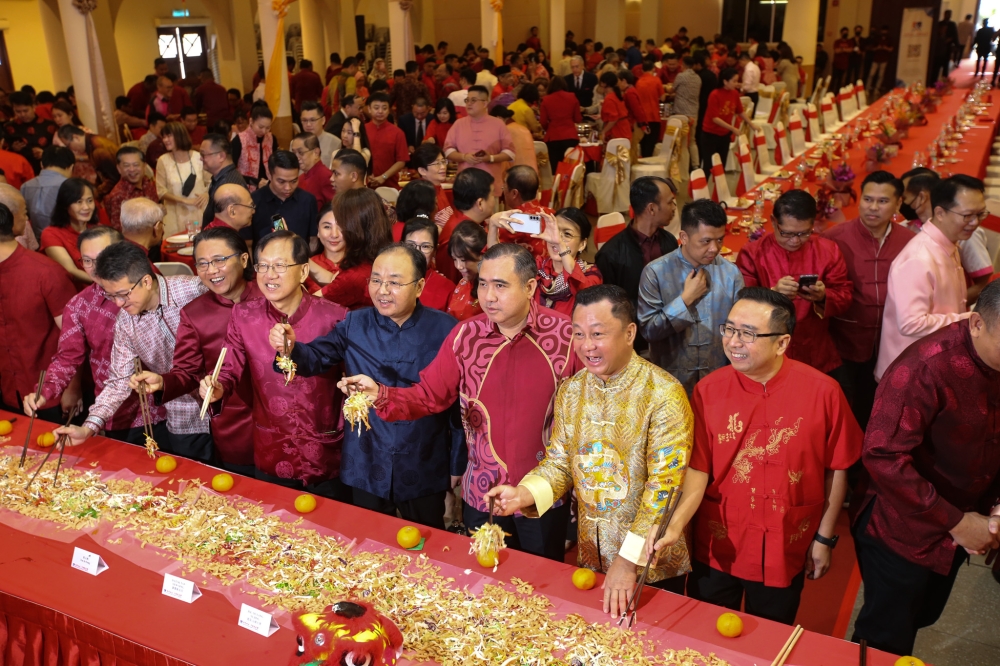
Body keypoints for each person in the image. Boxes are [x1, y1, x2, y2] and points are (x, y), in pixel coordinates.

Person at [339, 243, 578, 561]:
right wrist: (380, 394)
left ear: (530, 286)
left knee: (541, 587)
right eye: (483, 283)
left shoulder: (565, 336)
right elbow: (428, 397)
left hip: (542, 494)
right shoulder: (467, 336)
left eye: (500, 285)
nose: (488, 296)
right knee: (483, 584)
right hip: (483, 493)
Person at [646, 287, 862, 625]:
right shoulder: (708, 390)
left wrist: (823, 538)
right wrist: (675, 524)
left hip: (785, 542)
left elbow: (837, 468)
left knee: (770, 634)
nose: (733, 342)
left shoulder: (824, 392)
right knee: (707, 633)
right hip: (721, 542)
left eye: (748, 334)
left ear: (782, 343)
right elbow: (699, 469)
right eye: (729, 329)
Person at [489, 284, 693, 613]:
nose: (587, 346)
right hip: (591, 553)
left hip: (648, 566)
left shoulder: (663, 394)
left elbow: (664, 489)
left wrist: (628, 561)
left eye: (597, 334)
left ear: (629, 333)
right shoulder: (572, 390)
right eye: (578, 334)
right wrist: (524, 494)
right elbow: (559, 462)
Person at [850, 280, 1000, 656]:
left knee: (923, 614)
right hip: (903, 527)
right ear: (977, 322)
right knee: (886, 632)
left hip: (966, 515)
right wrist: (958, 521)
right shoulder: (926, 367)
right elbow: (883, 457)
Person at [272, 243, 463, 525]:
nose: (382, 290)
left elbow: (459, 403)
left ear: (420, 286)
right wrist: (289, 350)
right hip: (366, 456)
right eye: (376, 280)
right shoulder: (355, 324)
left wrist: (458, 461)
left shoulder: (447, 330)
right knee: (367, 541)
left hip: (423, 457)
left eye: (394, 282)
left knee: (426, 546)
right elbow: (314, 358)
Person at [198, 230, 349, 498]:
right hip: (272, 448)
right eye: (263, 266)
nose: (269, 275)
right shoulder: (244, 315)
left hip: (326, 451)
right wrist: (217, 387)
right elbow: (229, 367)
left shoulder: (335, 317)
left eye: (279, 266)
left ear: (303, 272)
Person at [54, 235, 212, 459]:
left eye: (122, 294)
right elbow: (118, 381)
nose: (118, 303)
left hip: (230, 410)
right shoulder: (126, 322)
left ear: (146, 281)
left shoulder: (193, 290)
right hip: (185, 417)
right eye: (111, 296)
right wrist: (88, 427)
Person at [131, 226, 259, 475]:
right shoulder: (194, 313)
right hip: (235, 422)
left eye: (219, 261)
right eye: (202, 264)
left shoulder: (270, 297)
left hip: (284, 418)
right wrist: (162, 381)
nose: (211, 271)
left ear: (244, 259)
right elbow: (187, 373)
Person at [26, 226, 143, 439]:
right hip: (116, 411)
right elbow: (68, 357)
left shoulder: (146, 287)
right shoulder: (79, 305)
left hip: (170, 405)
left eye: (103, 257)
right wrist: (44, 391)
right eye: (87, 261)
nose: (96, 267)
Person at [823, 171, 915, 430]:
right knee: (845, 408)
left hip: (893, 342)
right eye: (867, 199)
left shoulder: (911, 243)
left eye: (883, 201)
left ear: (898, 204)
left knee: (883, 407)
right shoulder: (833, 238)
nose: (873, 207)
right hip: (845, 340)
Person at [876, 175, 984, 380]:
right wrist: (969, 319)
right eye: (968, 215)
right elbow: (911, 324)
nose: (975, 223)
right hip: (910, 374)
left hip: (934, 362)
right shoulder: (918, 258)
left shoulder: (947, 245)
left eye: (980, 214)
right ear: (940, 213)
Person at [736, 189, 852, 375]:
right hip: (767, 352)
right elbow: (741, 305)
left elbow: (845, 296)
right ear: (774, 222)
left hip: (815, 349)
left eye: (804, 233)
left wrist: (823, 296)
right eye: (787, 233)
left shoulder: (828, 251)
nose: (795, 241)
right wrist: (773, 293)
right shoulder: (753, 253)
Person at [638, 199, 744, 397]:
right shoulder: (655, 272)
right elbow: (648, 331)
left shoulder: (730, 274)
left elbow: (740, 330)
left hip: (719, 379)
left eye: (720, 239)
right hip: (671, 382)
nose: (714, 248)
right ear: (684, 237)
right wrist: (685, 300)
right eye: (706, 241)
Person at [0, 199, 76, 421]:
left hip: (48, 393)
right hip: (7, 391)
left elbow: (74, 338)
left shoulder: (46, 272)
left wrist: (72, 389)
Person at [595, 176, 678, 352]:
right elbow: (609, 309)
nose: (674, 208)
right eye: (670, 202)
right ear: (652, 209)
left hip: (669, 334)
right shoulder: (611, 255)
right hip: (634, 345)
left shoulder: (669, 242)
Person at [311, 189, 391, 310]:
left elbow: (307, 307)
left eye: (342, 223)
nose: (336, 233)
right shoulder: (377, 257)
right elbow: (334, 281)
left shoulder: (356, 275)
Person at [525, 207, 601, 315]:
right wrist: (494, 227)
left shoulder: (591, 274)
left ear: (582, 244)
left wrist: (561, 246)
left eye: (567, 234)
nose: (557, 239)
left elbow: (585, 296)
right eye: (554, 231)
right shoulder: (538, 266)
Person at [443, 85, 515, 195]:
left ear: (485, 103)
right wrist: (464, 157)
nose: (469, 103)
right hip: (465, 185)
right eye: (467, 100)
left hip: (491, 185)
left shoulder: (498, 124)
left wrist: (490, 158)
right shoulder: (458, 124)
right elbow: (447, 151)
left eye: (473, 100)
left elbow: (510, 153)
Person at [437, 167, 495, 283]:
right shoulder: (458, 237)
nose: (494, 200)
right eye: (492, 195)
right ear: (480, 203)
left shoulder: (470, 224)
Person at [250, 150, 318, 247]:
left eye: (294, 181)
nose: (288, 188)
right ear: (269, 175)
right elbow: (248, 243)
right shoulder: (254, 201)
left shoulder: (307, 200)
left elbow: (313, 240)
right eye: (281, 182)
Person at [41, 177, 99, 286]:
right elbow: (71, 271)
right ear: (65, 205)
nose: (86, 207)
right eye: (79, 202)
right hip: (74, 294)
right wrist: (105, 284)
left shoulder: (99, 229)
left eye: (90, 201)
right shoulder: (51, 234)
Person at [156, 122, 208, 237]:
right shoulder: (163, 160)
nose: (165, 140)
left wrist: (206, 194)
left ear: (180, 135)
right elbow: (161, 191)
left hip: (199, 211)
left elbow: (211, 182)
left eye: (169, 136)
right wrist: (184, 201)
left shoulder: (198, 157)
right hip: (174, 215)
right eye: (164, 137)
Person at [700, 67, 756, 174]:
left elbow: (740, 111)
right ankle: (703, 189)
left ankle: (719, 190)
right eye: (734, 81)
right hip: (710, 134)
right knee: (708, 165)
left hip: (724, 134)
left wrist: (751, 124)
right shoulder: (714, 94)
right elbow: (715, 118)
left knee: (721, 165)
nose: (736, 83)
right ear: (725, 81)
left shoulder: (734, 93)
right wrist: (733, 128)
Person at [403, 215, 456, 311]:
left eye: (425, 246)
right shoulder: (386, 279)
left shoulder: (447, 288)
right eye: (410, 245)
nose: (417, 252)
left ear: (435, 250)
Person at [99, 146, 157, 233]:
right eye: (126, 166)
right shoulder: (117, 195)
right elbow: (120, 231)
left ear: (144, 166)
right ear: (119, 169)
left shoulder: (147, 184)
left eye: (136, 165)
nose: (132, 169)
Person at [21, 145, 74, 238]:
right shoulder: (71, 186)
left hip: (34, 242)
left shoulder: (25, 186)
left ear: (41, 164)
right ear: (71, 167)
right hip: (64, 240)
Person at [200, 133, 249, 228]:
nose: (201, 158)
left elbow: (225, 226)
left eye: (203, 154)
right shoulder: (223, 177)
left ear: (221, 156)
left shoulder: (228, 185)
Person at [3, 91, 58, 174]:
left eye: (25, 111)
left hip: (48, 169)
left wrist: (45, 153)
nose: (22, 114)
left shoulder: (50, 125)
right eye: (18, 111)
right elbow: (4, 153)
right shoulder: (9, 127)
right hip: (21, 171)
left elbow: (59, 149)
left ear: (33, 106)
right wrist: (13, 149)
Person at [365, 92, 409, 189]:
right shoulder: (362, 130)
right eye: (376, 108)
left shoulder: (398, 133)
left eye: (384, 108)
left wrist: (383, 177)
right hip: (364, 184)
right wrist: (367, 175)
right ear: (369, 109)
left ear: (389, 110)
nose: (380, 111)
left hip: (390, 185)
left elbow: (401, 161)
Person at [446, 220, 487, 321]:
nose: (459, 266)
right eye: (455, 259)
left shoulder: (491, 289)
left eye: (464, 260)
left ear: (482, 255)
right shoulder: (463, 282)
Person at [232, 104, 277, 191]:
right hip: (246, 188)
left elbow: (276, 164)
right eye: (260, 127)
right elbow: (231, 171)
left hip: (269, 187)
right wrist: (255, 181)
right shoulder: (239, 140)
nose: (264, 131)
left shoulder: (271, 138)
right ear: (251, 121)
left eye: (268, 127)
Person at [539, 76, 582, 164]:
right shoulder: (572, 97)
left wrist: (549, 129)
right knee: (571, 167)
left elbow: (543, 121)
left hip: (553, 137)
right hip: (570, 136)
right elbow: (578, 119)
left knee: (555, 167)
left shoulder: (546, 100)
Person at [410, 143, 453, 225]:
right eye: (437, 164)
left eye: (443, 162)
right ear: (422, 170)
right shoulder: (421, 195)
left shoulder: (438, 187)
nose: (443, 167)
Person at [291, 132, 335, 211]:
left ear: (316, 152)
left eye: (300, 152)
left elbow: (333, 210)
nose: (296, 157)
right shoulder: (300, 178)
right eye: (294, 153)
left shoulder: (326, 176)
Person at [298, 101, 341, 167]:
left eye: (312, 120)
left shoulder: (335, 142)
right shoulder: (295, 143)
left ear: (323, 120)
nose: (308, 124)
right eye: (304, 120)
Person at [597, 71, 631, 143]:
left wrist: (604, 131)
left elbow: (614, 119)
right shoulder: (615, 94)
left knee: (615, 154)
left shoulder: (609, 98)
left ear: (604, 84)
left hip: (617, 131)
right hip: (624, 129)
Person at [866, 26, 894, 97]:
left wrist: (885, 48)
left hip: (884, 59)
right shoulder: (877, 38)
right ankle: (867, 89)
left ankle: (877, 89)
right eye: (883, 31)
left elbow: (891, 49)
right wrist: (877, 48)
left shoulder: (889, 39)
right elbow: (872, 48)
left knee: (880, 76)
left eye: (885, 31)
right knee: (871, 74)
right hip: (876, 59)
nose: (884, 32)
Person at [832, 27, 854, 92]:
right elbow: (836, 51)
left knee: (840, 79)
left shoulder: (850, 41)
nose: (845, 34)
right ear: (841, 33)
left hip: (845, 63)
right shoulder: (837, 41)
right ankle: (831, 91)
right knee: (834, 78)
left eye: (846, 32)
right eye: (844, 32)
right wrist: (845, 50)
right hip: (836, 63)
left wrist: (842, 49)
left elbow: (850, 50)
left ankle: (837, 92)